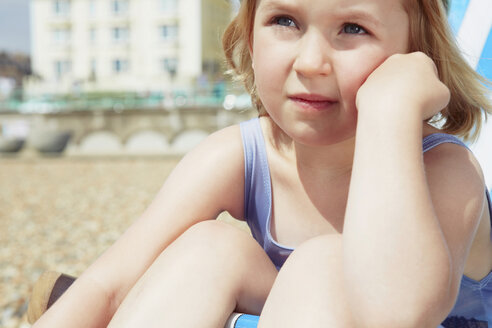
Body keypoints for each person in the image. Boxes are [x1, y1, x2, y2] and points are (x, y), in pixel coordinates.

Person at [32, 0, 492, 327]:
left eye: (354, 28)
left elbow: (397, 313)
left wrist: (390, 111)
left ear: (416, 53)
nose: (311, 62)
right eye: (284, 20)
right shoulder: (241, 156)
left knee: (324, 264)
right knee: (209, 249)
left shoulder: (446, 171)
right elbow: (108, 286)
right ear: (249, 36)